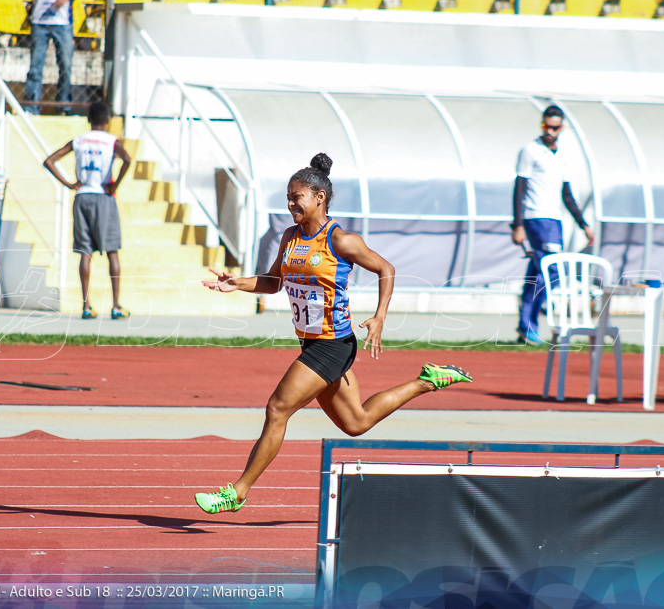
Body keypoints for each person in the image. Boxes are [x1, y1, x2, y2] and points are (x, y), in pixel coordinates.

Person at [195, 153, 473, 514]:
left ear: (319, 198)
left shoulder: (340, 240)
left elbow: (385, 268)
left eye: (298, 197)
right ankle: (428, 380)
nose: (291, 204)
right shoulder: (290, 237)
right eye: (288, 198)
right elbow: (274, 281)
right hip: (312, 342)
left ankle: (238, 492)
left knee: (277, 409)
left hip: (332, 345)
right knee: (356, 423)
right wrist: (239, 284)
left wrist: (379, 316)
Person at [512, 105, 594, 345]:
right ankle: (529, 323)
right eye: (545, 126)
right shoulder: (530, 150)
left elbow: (567, 195)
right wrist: (517, 224)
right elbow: (519, 188)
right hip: (535, 218)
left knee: (539, 272)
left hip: (554, 220)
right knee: (552, 271)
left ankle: (525, 325)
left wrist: (584, 225)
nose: (549, 131)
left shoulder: (564, 155)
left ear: (562, 128)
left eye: (554, 127)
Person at [43, 101, 131, 320]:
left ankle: (86, 305)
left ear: (88, 119)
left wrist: (69, 183)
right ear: (108, 120)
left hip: (82, 196)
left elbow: (50, 160)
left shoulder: (79, 140)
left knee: (85, 252)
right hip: (103, 196)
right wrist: (115, 184)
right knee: (112, 251)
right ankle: (116, 305)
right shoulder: (111, 141)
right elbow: (128, 159)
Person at [21, 0, 84, 115]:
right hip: (39, 19)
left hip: (63, 21)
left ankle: (63, 106)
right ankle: (31, 107)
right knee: (35, 65)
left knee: (65, 64)